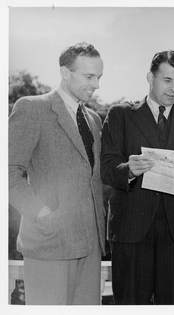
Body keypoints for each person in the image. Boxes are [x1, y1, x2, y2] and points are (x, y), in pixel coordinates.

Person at [101, 50, 174, 304]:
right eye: (167, 80)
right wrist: (128, 169)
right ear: (150, 78)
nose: (173, 89)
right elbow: (106, 168)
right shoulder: (120, 115)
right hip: (131, 231)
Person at [8, 42, 106, 304]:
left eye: (99, 77)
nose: (96, 84)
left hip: (90, 247)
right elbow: (7, 172)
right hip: (49, 244)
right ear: (65, 72)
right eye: (89, 76)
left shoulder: (94, 119)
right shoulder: (32, 108)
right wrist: (41, 214)